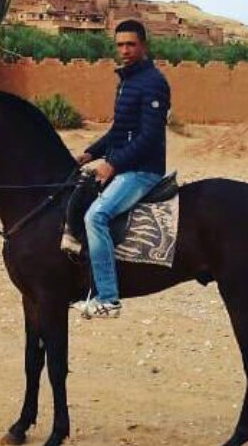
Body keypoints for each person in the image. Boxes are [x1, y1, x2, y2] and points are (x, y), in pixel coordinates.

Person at [72, 20, 171, 320]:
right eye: (120, 45)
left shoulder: (153, 82)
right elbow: (119, 132)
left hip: (142, 170)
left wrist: (113, 164)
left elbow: (150, 136)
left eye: (131, 44)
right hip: (126, 165)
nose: (125, 50)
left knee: (96, 216)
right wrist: (90, 153)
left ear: (143, 46)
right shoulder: (128, 81)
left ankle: (108, 298)